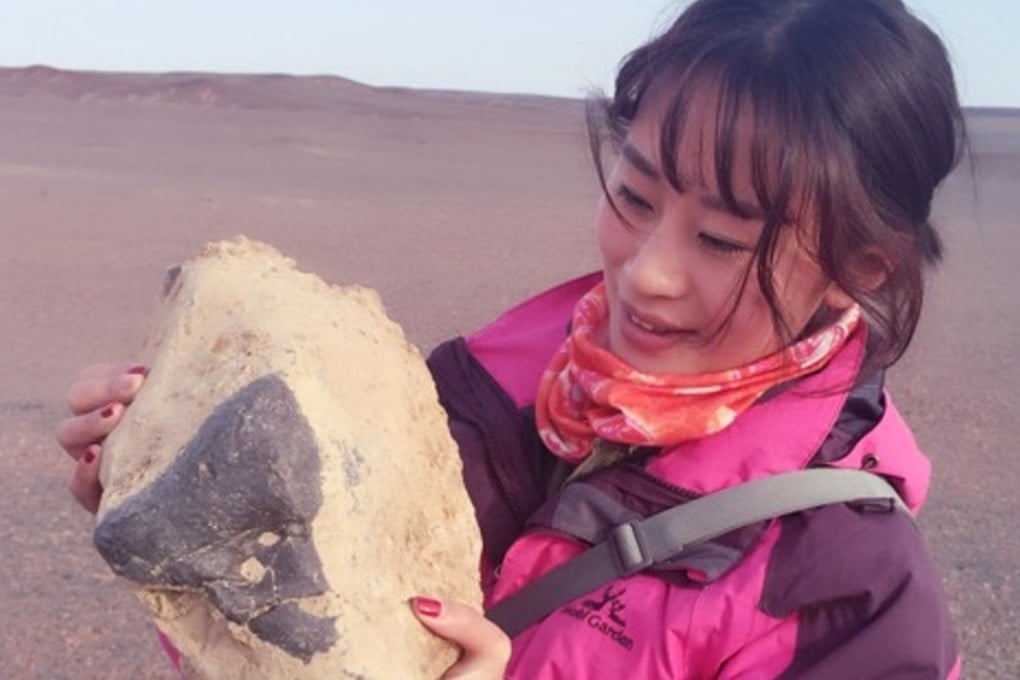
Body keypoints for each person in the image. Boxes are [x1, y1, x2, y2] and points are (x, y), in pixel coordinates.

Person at [57, 0, 964, 676]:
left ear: (858, 266)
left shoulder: (846, 598)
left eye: (722, 241)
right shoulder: (479, 397)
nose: (648, 271)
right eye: (634, 195)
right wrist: (190, 516)